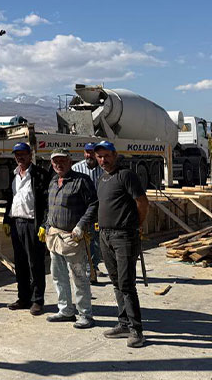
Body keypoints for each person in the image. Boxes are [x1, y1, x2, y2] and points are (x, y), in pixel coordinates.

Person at [93, 141, 149, 348]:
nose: (103, 160)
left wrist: (136, 226)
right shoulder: (102, 179)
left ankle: (137, 331)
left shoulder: (126, 176)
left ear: (115, 155)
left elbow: (142, 203)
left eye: (106, 155)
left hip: (124, 236)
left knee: (126, 284)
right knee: (116, 282)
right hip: (105, 236)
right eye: (99, 156)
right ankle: (123, 323)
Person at [45, 148, 98, 329]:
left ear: (70, 161)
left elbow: (93, 205)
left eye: (62, 161)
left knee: (79, 277)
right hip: (55, 236)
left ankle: (85, 314)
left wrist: (81, 226)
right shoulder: (53, 182)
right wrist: (46, 227)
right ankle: (66, 309)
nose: (58, 164)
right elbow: (50, 207)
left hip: (72, 238)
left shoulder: (81, 181)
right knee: (58, 275)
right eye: (55, 161)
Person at [2, 142, 51, 315]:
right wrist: (6, 220)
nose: (20, 157)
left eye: (23, 154)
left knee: (35, 264)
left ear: (30, 155)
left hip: (33, 225)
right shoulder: (14, 175)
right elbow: (11, 199)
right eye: (17, 155)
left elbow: (46, 203)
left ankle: (38, 300)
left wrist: (45, 225)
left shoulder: (40, 175)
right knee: (20, 264)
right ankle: (23, 298)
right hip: (17, 224)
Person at [72, 142, 103, 283]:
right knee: (83, 241)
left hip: (99, 212)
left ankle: (94, 267)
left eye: (91, 152)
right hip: (82, 213)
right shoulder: (76, 168)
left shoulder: (103, 170)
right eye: (87, 152)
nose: (89, 155)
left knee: (96, 241)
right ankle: (86, 269)